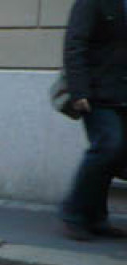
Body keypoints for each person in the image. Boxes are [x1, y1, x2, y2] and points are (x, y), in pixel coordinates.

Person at [60, 0, 127, 241]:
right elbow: (75, 43)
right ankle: (73, 213)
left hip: (123, 93)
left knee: (116, 155)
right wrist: (79, 91)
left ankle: (97, 218)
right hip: (97, 93)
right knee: (108, 146)